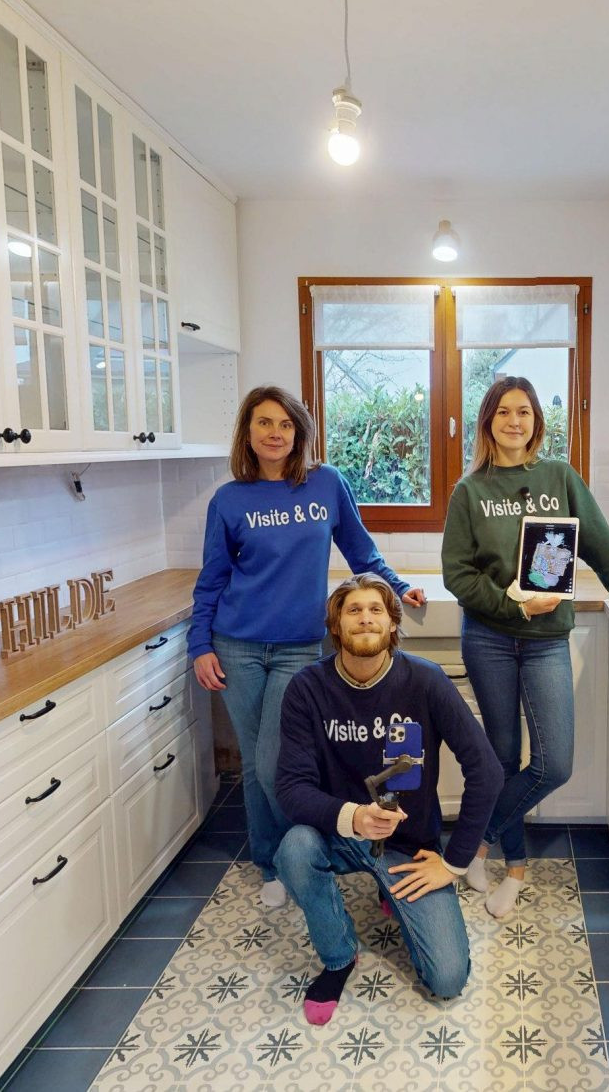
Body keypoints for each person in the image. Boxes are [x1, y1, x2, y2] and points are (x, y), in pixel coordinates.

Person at [441, 376, 609, 918]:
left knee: (553, 764)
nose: (514, 421)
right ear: (488, 421)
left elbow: (604, 552)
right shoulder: (470, 492)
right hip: (489, 639)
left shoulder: (560, 478)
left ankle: (473, 844)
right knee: (500, 759)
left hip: (545, 642)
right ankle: (515, 870)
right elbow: (458, 575)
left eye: (524, 411)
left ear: (537, 421)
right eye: (503, 412)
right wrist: (514, 607)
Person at [189, 386, 426, 909]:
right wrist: (200, 642)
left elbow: (361, 550)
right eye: (264, 423)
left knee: (275, 759)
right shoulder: (229, 500)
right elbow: (212, 578)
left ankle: (313, 849)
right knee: (254, 762)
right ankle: (273, 862)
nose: (275, 433)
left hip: (299, 646)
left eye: (286, 424)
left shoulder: (326, 484)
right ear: (247, 433)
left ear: (300, 433)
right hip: (236, 644)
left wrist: (397, 586)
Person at [272, 575, 503, 1024]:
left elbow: (487, 772)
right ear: (336, 626)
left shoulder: (426, 680)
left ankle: (389, 888)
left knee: (448, 979)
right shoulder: (306, 688)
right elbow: (291, 788)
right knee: (294, 849)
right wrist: (355, 817)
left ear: (393, 623)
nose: (365, 619)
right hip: (337, 833)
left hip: (407, 846)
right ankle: (339, 957)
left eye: (376, 610)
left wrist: (454, 863)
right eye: (353, 610)